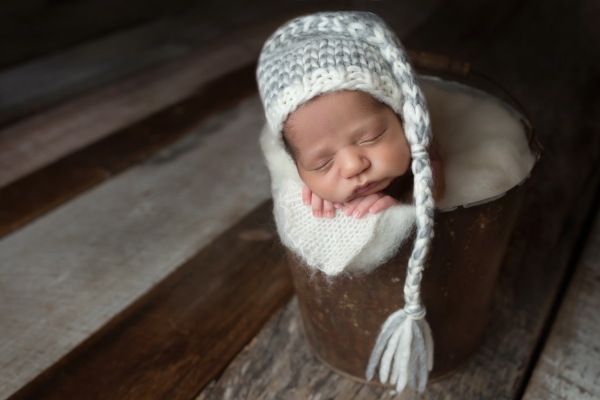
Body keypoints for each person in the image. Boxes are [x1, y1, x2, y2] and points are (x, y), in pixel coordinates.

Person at [282, 89, 444, 219]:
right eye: (322, 164)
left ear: (404, 122)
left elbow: (435, 191)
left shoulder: (420, 150)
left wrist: (405, 206)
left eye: (371, 138)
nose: (353, 166)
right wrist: (317, 195)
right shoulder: (304, 183)